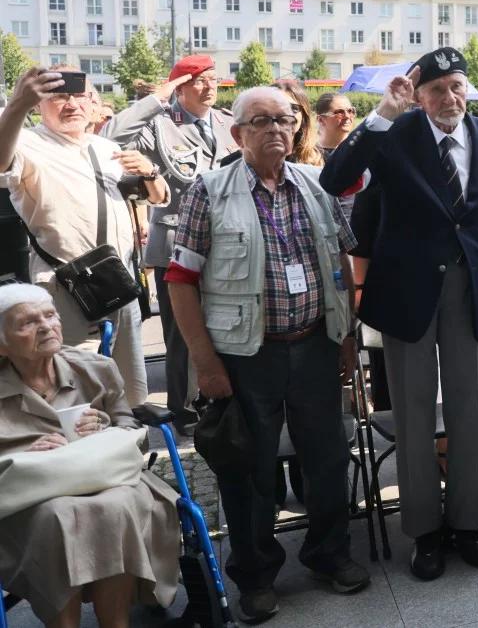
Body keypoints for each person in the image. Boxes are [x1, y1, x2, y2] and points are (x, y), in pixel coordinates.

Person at [166, 86, 369, 621]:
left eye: (285, 119)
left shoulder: (314, 184)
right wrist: (205, 363)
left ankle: (329, 554)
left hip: (316, 346)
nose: (276, 129)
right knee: (249, 468)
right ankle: (255, 576)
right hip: (245, 355)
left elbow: (341, 266)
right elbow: (180, 282)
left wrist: (345, 334)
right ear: (238, 134)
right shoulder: (208, 191)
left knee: (327, 458)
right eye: (261, 121)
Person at [319, 47, 478, 582]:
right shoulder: (395, 134)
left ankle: (466, 522)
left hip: (469, 289)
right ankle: (424, 532)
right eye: (436, 91)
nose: (448, 98)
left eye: (456, 87)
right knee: (411, 415)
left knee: (466, 410)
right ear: (419, 95)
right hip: (407, 293)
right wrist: (382, 113)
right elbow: (334, 179)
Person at [0, 283, 180, 628]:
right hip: (28, 497)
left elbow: (131, 430)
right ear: (2, 344)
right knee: (56, 515)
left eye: (50, 315)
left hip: (106, 477)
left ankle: (116, 622)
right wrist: (25, 451)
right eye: (26, 323)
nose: (46, 327)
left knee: (118, 506)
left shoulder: (95, 368)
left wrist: (107, 423)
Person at [0, 66, 168, 410]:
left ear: (93, 104)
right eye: (58, 95)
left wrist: (150, 172)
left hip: (116, 284)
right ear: (38, 105)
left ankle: (127, 454)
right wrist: (16, 104)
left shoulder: (106, 148)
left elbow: (158, 196)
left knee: (130, 391)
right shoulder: (28, 142)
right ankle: (80, 458)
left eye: (79, 95)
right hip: (64, 289)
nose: (71, 103)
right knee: (71, 391)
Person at [103, 54, 236, 423]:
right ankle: (188, 411)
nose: (210, 87)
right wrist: (156, 99)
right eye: (199, 80)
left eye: (213, 79)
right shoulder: (159, 125)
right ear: (179, 87)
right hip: (177, 244)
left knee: (228, 323)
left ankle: (229, 399)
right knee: (182, 333)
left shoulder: (227, 123)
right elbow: (110, 137)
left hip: (229, 244)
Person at [314, 93, 357, 159]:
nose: (347, 116)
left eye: (350, 111)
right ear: (321, 120)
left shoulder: (360, 149)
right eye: (339, 112)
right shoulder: (308, 155)